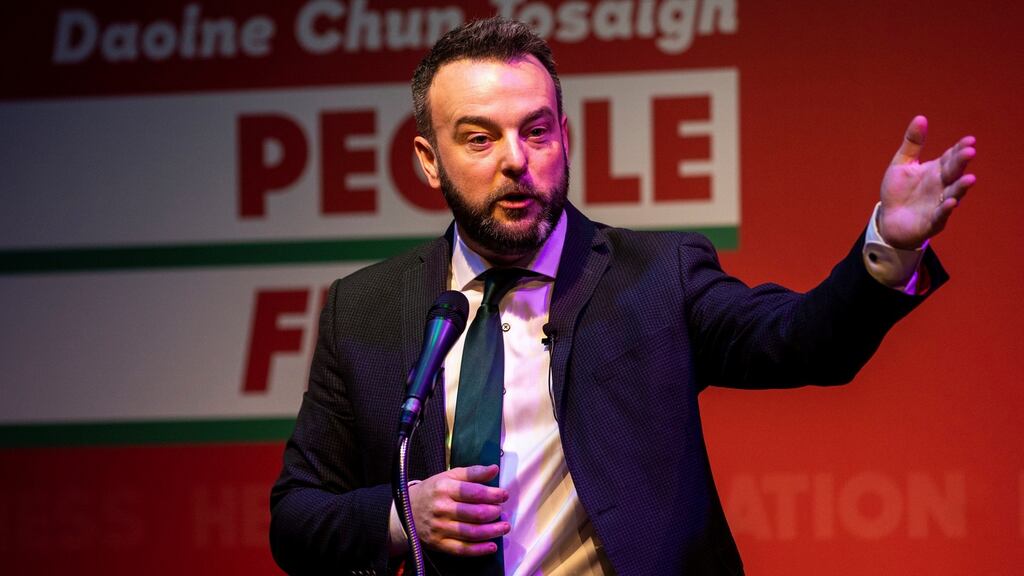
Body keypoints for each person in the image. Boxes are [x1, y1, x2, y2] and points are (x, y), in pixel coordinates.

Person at [269, 17, 976, 576]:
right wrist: (404, 516)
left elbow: (805, 340)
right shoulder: (362, 310)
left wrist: (890, 243)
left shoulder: (655, 275)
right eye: (479, 139)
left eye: (536, 131)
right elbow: (297, 520)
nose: (516, 159)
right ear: (429, 160)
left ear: (565, 138)